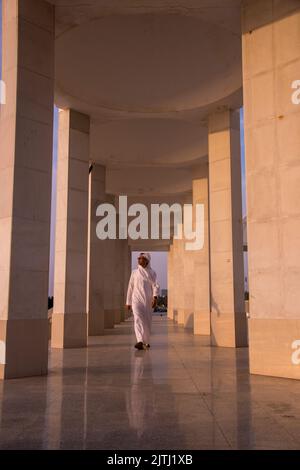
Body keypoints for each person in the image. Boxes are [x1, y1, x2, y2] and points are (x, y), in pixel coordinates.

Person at [126, 252, 160, 350]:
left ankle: (146, 341)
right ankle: (140, 341)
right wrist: (128, 302)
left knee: (147, 321)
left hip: (148, 300)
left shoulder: (152, 273)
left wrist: (155, 297)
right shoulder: (134, 273)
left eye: (141, 258)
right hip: (136, 300)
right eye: (138, 258)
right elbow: (130, 287)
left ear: (147, 261)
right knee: (137, 319)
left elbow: (155, 285)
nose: (139, 260)